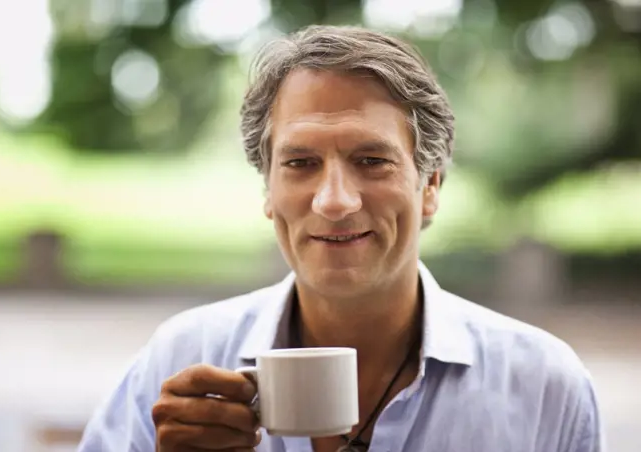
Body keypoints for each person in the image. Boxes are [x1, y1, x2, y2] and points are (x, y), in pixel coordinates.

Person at [77, 25, 605, 452]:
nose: (334, 201)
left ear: (430, 188)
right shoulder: (181, 357)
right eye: (300, 163)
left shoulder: (543, 387)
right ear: (268, 190)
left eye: (372, 161)